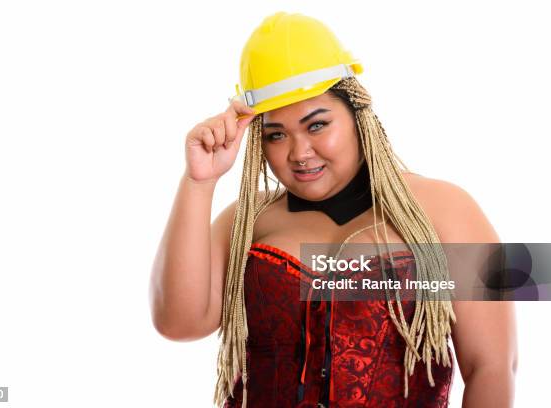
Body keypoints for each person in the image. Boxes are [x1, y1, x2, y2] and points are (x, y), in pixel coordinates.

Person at [150, 11, 517, 408]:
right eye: (276, 134)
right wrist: (198, 183)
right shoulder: (246, 220)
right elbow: (177, 324)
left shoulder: (448, 209)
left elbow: (493, 366)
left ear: (359, 116)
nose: (299, 153)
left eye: (317, 125)